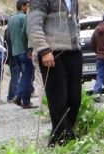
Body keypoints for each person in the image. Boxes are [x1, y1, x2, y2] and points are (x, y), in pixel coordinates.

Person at [27, 0, 83, 146]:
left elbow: (75, 22)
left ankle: (61, 138)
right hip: (52, 54)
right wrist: (44, 50)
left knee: (75, 99)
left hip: (74, 52)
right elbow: (34, 25)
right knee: (58, 101)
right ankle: (63, 142)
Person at [7, 0, 37, 109]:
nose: (28, 8)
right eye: (27, 6)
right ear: (23, 6)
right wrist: (29, 49)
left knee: (24, 75)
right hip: (24, 51)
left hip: (15, 52)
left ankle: (23, 100)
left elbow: (8, 36)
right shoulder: (24, 18)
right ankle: (20, 97)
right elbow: (27, 34)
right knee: (27, 76)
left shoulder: (10, 19)